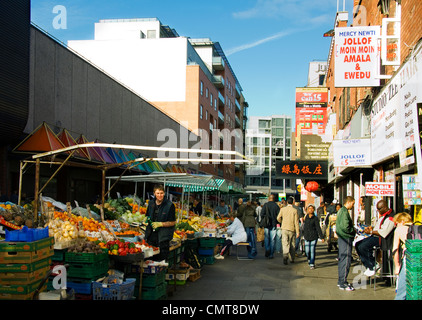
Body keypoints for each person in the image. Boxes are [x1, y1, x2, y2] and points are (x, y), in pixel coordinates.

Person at [355, 199, 395, 277]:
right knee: (358, 245)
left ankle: (372, 265)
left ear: (385, 207)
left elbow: (383, 232)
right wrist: (371, 229)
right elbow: (379, 227)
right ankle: (369, 265)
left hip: (382, 239)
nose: (378, 211)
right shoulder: (384, 215)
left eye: (379, 209)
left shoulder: (390, 217)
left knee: (364, 246)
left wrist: (370, 232)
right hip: (375, 235)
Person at [145, 184, 176, 261]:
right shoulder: (151, 203)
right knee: (150, 259)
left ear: (164, 193)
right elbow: (147, 216)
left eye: (161, 193)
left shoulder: (169, 205)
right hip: (151, 237)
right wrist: (146, 221)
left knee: (161, 260)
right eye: (158, 193)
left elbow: (173, 222)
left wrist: (161, 224)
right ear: (154, 193)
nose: (160, 195)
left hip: (163, 238)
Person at [336, 196, 356, 291]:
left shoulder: (341, 211)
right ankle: (343, 282)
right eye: (353, 203)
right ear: (349, 202)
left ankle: (341, 281)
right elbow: (345, 226)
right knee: (346, 259)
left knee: (342, 259)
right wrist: (352, 231)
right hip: (346, 237)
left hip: (342, 237)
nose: (353, 205)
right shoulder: (344, 212)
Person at [392, 212, 413, 300]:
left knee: (401, 291)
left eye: (396, 223)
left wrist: (397, 266)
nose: (396, 225)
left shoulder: (399, 229)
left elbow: (395, 250)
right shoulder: (417, 228)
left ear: (401, 221)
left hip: (409, 260)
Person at [277, 197, 300, 265]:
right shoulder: (294, 210)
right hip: (292, 229)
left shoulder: (283, 209)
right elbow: (296, 222)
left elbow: (278, 218)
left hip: (284, 228)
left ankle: (285, 255)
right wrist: (298, 231)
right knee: (292, 243)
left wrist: (282, 222)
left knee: (285, 243)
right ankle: (292, 258)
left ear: (287, 202)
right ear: (293, 202)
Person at [303, 204, 325, 269]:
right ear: (307, 210)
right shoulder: (305, 217)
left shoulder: (315, 218)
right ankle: (309, 258)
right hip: (306, 236)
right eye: (309, 209)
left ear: (314, 210)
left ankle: (312, 263)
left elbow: (318, 228)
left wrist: (322, 237)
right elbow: (304, 227)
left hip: (314, 236)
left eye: (312, 209)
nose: (310, 210)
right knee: (307, 250)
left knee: (312, 250)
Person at [261, 194, 280, 259]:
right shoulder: (276, 206)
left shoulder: (265, 205)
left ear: (269, 198)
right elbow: (278, 216)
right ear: (274, 199)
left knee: (266, 238)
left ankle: (267, 249)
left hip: (266, 224)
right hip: (273, 224)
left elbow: (262, 214)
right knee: (272, 239)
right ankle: (271, 254)